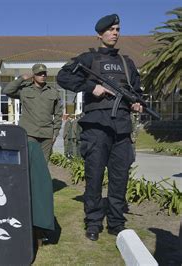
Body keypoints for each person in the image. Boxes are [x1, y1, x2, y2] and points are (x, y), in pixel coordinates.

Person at [56, 14, 143, 241]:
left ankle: (116, 222)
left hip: (122, 128)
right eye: (111, 29)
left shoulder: (127, 63)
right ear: (100, 34)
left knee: (119, 176)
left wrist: (136, 103)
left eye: (117, 29)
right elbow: (63, 77)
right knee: (94, 177)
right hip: (96, 128)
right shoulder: (88, 59)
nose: (115, 33)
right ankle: (93, 222)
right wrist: (90, 87)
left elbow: (137, 91)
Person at [3, 63, 63, 162]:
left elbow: (58, 114)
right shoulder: (24, 90)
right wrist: (21, 78)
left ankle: (41, 178)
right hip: (29, 133)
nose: (43, 75)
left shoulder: (53, 92)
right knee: (29, 161)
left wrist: (55, 133)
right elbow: (7, 90)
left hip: (47, 134)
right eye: (39, 73)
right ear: (33, 75)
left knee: (43, 164)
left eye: (44, 73)